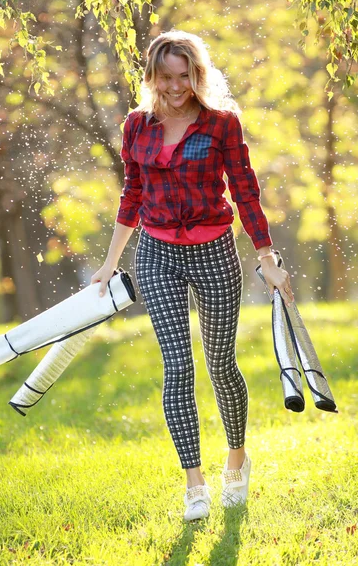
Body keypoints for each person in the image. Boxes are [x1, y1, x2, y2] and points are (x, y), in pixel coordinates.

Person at [91, 29, 294, 521]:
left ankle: (237, 459)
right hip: (157, 253)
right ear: (151, 77)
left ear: (197, 76)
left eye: (185, 76)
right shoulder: (136, 126)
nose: (176, 86)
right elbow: (132, 196)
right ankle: (195, 484)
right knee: (178, 367)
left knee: (220, 362)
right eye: (166, 77)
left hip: (214, 252)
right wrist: (110, 259)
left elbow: (246, 192)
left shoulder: (222, 124)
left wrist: (266, 256)